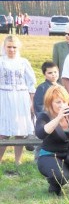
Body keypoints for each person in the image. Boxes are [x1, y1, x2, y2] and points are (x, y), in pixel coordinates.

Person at [35, 85, 69, 196]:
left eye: (64, 102)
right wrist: (58, 118)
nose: (62, 105)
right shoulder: (44, 116)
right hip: (50, 155)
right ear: (50, 103)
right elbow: (40, 133)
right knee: (60, 176)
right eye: (58, 102)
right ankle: (55, 186)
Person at [0, 35, 36, 165]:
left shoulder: (23, 62)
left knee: (20, 130)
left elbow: (31, 83)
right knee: (3, 131)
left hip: (21, 97)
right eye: (9, 47)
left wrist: (32, 102)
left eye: (14, 47)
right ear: (4, 47)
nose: (11, 50)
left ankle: (18, 161)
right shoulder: (1, 62)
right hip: (4, 97)